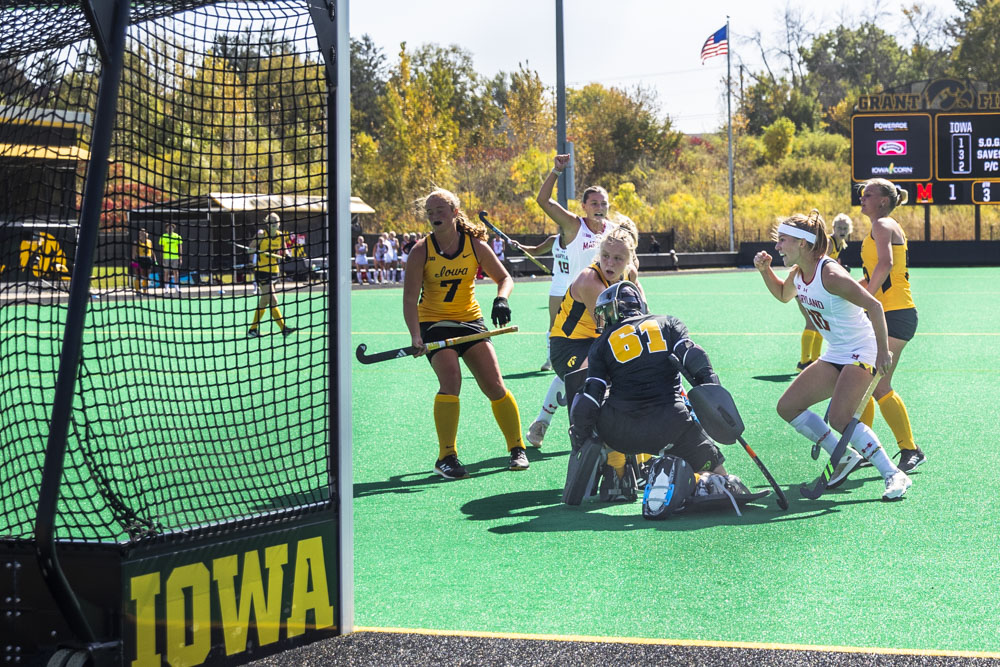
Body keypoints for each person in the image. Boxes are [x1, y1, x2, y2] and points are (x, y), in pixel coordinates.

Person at [753, 211, 911, 500]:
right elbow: (782, 295)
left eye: (783, 240)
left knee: (841, 418)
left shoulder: (831, 274)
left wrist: (881, 354)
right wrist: (766, 271)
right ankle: (844, 457)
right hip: (837, 352)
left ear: (802, 244)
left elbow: (875, 307)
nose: (777, 247)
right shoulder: (798, 273)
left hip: (862, 349)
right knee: (788, 406)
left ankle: (893, 474)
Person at [403, 188, 528, 479]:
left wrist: (502, 299)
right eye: (430, 211)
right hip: (434, 323)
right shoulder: (421, 250)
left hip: (470, 321)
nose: (434, 216)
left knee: (495, 385)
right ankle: (446, 456)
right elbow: (410, 299)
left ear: (455, 212)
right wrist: (415, 336)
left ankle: (517, 448)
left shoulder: (474, 245)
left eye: (440, 210)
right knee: (451, 380)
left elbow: (504, 277)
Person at [569, 281, 730, 494]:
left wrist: (580, 436)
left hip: (621, 432)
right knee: (723, 479)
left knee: (594, 399)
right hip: (672, 424)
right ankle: (693, 479)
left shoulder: (600, 344)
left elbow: (589, 400)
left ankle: (617, 472)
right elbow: (695, 360)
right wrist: (714, 398)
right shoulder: (670, 323)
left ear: (615, 310)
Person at [524, 155, 616, 448]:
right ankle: (543, 422)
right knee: (573, 371)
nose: (600, 208)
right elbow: (543, 200)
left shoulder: (614, 231)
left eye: (603, 203)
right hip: (573, 306)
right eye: (594, 203)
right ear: (584, 207)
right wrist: (556, 171)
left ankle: (607, 431)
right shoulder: (574, 225)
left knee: (597, 369)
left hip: (602, 307)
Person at [855, 178, 925, 473]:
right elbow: (875, 272)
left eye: (868, 194)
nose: (862, 197)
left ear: (883, 200)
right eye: (862, 193)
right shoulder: (881, 226)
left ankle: (911, 449)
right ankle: (862, 449)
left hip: (895, 314)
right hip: (886, 312)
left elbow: (884, 265)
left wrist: (865, 297)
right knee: (863, 385)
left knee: (878, 384)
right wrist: (851, 292)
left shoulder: (883, 225)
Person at [794, 213, 854, 372]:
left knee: (820, 322)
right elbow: (817, 262)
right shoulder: (829, 243)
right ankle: (803, 361)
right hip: (806, 284)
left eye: (845, 228)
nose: (842, 230)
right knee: (811, 322)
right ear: (833, 228)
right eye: (839, 227)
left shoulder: (841, 244)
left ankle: (814, 359)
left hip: (815, 286)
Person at [508, 233, 567, 372]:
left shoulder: (580, 239)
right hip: (558, 287)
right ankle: (550, 359)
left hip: (577, 285)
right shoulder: (554, 240)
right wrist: (519, 247)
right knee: (554, 323)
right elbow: (535, 250)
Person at [247, 213, 296, 338]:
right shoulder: (262, 234)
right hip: (262, 271)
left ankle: (253, 329)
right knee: (273, 300)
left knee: (264, 301)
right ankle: (283, 328)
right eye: (272, 222)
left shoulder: (281, 236)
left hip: (274, 271)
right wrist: (257, 253)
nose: (274, 224)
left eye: (276, 222)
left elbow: (284, 251)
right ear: (268, 224)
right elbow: (249, 249)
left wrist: (287, 256)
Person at [158, 223, 183, 295]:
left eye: (171, 228)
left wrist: (180, 258)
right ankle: (166, 288)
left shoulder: (177, 236)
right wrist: (162, 258)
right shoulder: (163, 237)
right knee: (166, 272)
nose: (170, 229)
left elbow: (180, 247)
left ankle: (177, 287)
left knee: (176, 272)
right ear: (166, 229)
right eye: (168, 228)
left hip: (175, 257)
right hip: (166, 257)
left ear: (173, 229)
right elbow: (161, 249)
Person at [132, 228, 155, 294]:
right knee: (138, 275)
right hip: (139, 259)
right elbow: (133, 252)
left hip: (148, 259)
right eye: (141, 233)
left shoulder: (149, 242)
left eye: (144, 232)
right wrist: (133, 261)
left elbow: (152, 250)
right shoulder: (136, 242)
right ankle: (137, 290)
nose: (142, 234)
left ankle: (145, 291)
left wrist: (154, 259)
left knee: (147, 275)